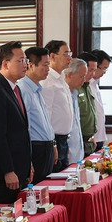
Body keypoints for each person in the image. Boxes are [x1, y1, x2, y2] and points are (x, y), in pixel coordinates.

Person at [0, 41, 33, 203]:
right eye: (20, 60)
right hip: (5, 175)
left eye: (25, 60)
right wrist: (8, 170)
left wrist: (27, 164)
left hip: (19, 169)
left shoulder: (13, 89)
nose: (25, 64)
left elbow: (20, 132)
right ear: (5, 63)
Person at [17, 47, 57, 184]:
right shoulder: (23, 89)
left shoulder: (37, 88)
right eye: (45, 65)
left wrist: (53, 144)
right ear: (31, 65)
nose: (48, 69)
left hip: (47, 147)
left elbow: (45, 122)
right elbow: (24, 127)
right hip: (36, 149)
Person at [41, 40, 73, 172]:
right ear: (52, 56)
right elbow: (45, 117)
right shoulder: (47, 81)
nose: (69, 57)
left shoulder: (62, 79)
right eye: (66, 53)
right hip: (54, 140)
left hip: (64, 140)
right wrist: (53, 143)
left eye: (70, 53)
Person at [77, 52, 99, 157]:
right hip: (78, 140)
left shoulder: (88, 86)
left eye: (94, 70)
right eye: (91, 70)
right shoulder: (75, 87)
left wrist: (92, 137)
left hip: (89, 141)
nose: (92, 74)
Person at [90, 49, 111, 151]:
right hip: (91, 139)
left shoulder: (95, 84)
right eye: (104, 68)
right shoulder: (85, 84)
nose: (104, 72)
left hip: (99, 137)